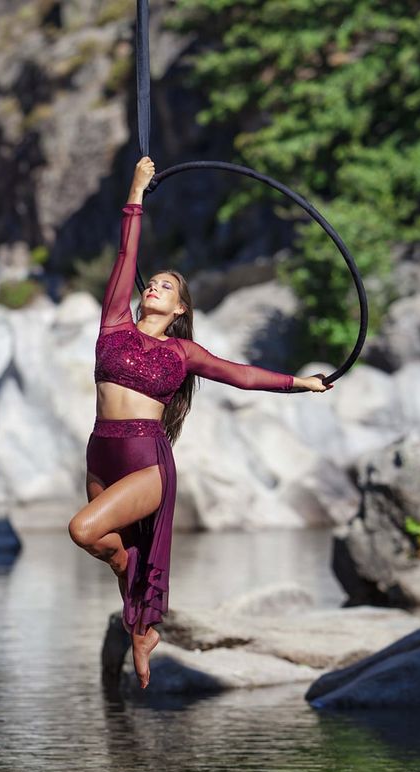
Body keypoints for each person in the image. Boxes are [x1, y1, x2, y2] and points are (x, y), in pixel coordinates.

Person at [68, 156, 331, 689]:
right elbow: (126, 253)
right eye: (154, 283)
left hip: (145, 460)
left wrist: (301, 384)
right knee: (112, 551)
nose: (155, 286)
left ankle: (139, 612)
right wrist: (136, 192)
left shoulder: (184, 352)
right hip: (101, 451)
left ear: (181, 307)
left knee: (83, 529)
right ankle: (143, 628)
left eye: (167, 286)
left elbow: (242, 376)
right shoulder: (114, 324)